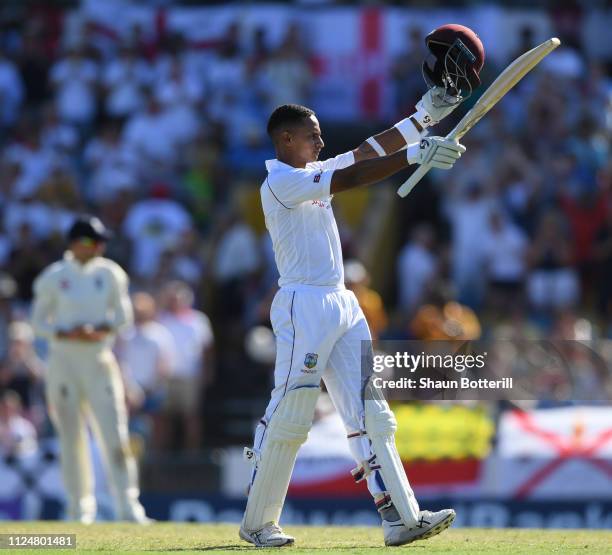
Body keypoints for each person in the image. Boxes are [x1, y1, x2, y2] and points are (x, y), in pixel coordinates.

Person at [239, 24, 482, 549]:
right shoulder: (280, 182)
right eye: (313, 135)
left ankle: (401, 518)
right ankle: (258, 523)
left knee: (370, 412)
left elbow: (370, 150)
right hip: (302, 302)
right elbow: (352, 176)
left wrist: (428, 112)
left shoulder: (315, 167)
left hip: (342, 303)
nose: (322, 142)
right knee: (291, 414)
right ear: (285, 139)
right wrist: (415, 157)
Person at [30, 215, 150, 524]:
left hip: (99, 361)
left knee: (115, 434)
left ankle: (128, 506)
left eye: (100, 242)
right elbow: (37, 323)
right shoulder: (53, 277)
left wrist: (99, 330)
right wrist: (65, 333)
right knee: (71, 438)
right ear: (73, 244)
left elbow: (124, 317)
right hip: (64, 363)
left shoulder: (111, 274)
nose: (98, 247)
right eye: (90, 241)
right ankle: (78, 509)